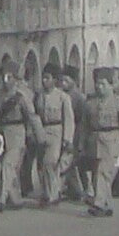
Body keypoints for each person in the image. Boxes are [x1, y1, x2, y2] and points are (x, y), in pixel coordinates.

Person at [78, 67, 119, 217]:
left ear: (111, 85)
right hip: (94, 141)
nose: (99, 87)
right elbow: (84, 126)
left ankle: (98, 204)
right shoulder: (90, 103)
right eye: (97, 83)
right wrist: (80, 145)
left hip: (112, 142)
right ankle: (106, 204)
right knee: (97, 173)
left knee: (103, 172)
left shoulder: (118, 103)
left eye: (103, 84)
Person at [0, 56, 44, 212]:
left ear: (15, 78)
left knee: (8, 164)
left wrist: (40, 138)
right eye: (4, 76)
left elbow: (32, 117)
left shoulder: (21, 97)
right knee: (11, 167)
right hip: (3, 133)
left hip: (17, 133)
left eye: (9, 77)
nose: (6, 80)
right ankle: (15, 199)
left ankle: (1, 198)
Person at [34, 64, 75, 206]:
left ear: (54, 80)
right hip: (42, 131)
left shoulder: (63, 97)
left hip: (57, 131)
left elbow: (69, 119)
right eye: (43, 78)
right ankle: (48, 192)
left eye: (47, 78)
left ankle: (52, 195)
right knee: (41, 165)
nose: (44, 81)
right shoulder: (39, 96)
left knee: (50, 162)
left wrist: (67, 139)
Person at [60, 66, 92, 202]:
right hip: (65, 131)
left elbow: (83, 119)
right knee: (70, 164)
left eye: (67, 80)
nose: (63, 83)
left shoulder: (78, 97)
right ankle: (76, 190)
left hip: (77, 132)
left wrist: (80, 139)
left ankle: (86, 190)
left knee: (76, 164)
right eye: (62, 80)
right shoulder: (62, 95)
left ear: (73, 81)